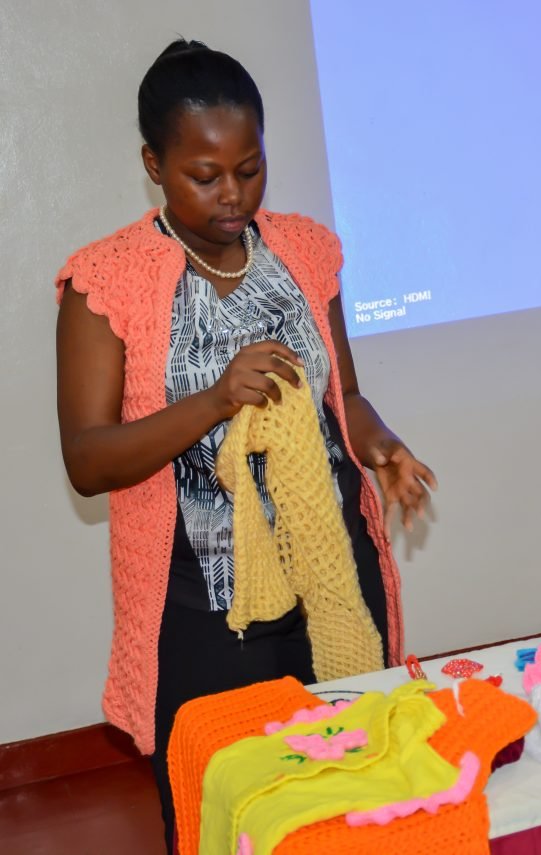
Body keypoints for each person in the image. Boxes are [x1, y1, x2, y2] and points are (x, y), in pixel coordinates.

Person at [54, 39, 436, 852]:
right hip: (207, 610)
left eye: (250, 168)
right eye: (205, 175)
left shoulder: (306, 250)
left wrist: (385, 447)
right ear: (154, 165)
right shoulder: (106, 281)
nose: (233, 194)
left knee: (355, 804)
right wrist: (216, 399)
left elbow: (344, 398)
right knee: (225, 816)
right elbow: (87, 459)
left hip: (333, 577)